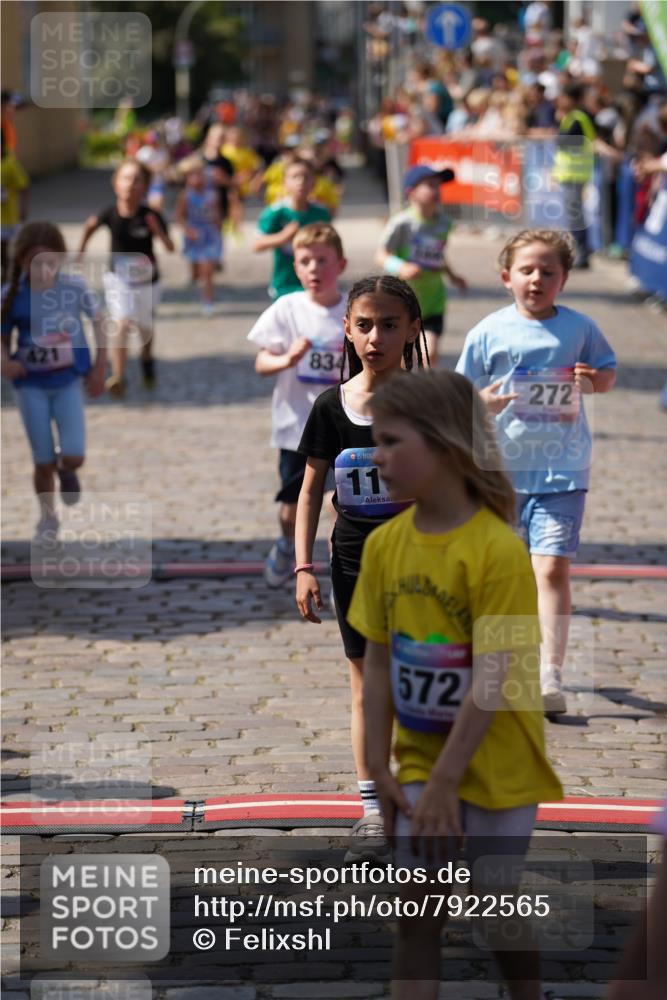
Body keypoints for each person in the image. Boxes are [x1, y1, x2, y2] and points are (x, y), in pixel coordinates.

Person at [348, 368, 563, 999]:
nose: (377, 457)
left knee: (496, 909)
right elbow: (378, 663)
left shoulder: (498, 551)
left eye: (392, 442)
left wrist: (448, 781)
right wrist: (379, 768)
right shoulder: (384, 546)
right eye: (376, 441)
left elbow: (494, 677)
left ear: (443, 444)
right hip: (420, 762)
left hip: (498, 766)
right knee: (417, 915)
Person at [295, 275, 428, 860]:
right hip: (353, 561)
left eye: (390, 325)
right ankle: (374, 810)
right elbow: (309, 491)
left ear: (413, 330)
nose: (376, 337)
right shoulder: (331, 406)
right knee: (367, 689)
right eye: (365, 325)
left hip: (422, 562)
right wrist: (303, 566)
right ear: (347, 330)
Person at [456, 229, 616, 714]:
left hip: (562, 470)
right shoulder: (487, 332)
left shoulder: (580, 329)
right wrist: (480, 402)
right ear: (507, 277)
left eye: (548, 271)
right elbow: (458, 395)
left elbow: (606, 374)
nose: (537, 279)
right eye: (527, 270)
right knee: (503, 575)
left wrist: (592, 381)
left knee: (550, 568)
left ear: (563, 279)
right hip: (500, 473)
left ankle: (550, 673)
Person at [247, 223, 347, 587]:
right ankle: (287, 545)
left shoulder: (353, 310)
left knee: (340, 507)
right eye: (305, 261)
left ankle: (340, 574)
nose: (314, 268)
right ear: (296, 268)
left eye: (323, 260)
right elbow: (261, 363)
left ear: (341, 264)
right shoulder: (287, 308)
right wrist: (286, 359)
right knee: (292, 510)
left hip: (344, 429)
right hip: (297, 429)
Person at [1, 221, 106, 543]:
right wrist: (5, 361)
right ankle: (47, 519)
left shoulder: (75, 288)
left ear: (60, 258)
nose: (43, 270)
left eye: (50, 262)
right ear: (21, 262)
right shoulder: (11, 296)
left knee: (74, 454)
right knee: (42, 459)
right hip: (30, 385)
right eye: (35, 263)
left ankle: (67, 468)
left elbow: (100, 323)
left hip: (68, 382)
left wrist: (100, 367)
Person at [79, 159, 175, 398]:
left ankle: (147, 361)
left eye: (137, 180)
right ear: (116, 184)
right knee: (121, 322)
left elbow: (170, 247)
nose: (130, 184)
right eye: (126, 178)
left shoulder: (151, 215)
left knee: (144, 328)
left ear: (145, 187)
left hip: (147, 281)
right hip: (118, 279)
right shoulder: (109, 213)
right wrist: (81, 250)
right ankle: (118, 376)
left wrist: (157, 230)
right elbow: (90, 226)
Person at [377, 165, 468, 366]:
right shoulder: (402, 223)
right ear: (411, 192)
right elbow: (381, 255)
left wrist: (453, 276)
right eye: (430, 185)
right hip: (403, 301)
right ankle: (402, 385)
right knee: (404, 358)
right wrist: (401, 268)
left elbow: (438, 255)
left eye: (438, 185)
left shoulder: (444, 223)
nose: (436, 190)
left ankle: (425, 386)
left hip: (433, 300)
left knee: (430, 353)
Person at [253, 158, 331, 300]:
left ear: (313, 183)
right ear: (285, 183)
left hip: (315, 283)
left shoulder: (321, 213)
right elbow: (257, 245)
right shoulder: (275, 212)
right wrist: (283, 236)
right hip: (284, 285)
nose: (301, 181)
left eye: (306, 177)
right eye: (295, 177)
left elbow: (331, 247)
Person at [553, 83, 597, 269]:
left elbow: (566, 142)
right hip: (569, 174)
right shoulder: (570, 117)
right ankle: (580, 252)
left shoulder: (578, 118)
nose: (560, 100)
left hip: (576, 174)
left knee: (575, 217)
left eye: (563, 97)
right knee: (574, 216)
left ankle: (583, 254)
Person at [175, 158, 222, 317]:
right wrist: (187, 230)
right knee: (196, 272)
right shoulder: (186, 196)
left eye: (199, 175)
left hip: (210, 235)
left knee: (207, 271)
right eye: (192, 176)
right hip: (194, 236)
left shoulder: (212, 195)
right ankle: (196, 280)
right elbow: (179, 216)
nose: (197, 179)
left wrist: (219, 231)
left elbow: (217, 215)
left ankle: (208, 301)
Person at [1, 125, 30, 283]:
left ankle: (9, 278)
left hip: (8, 218)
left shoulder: (10, 164)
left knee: (6, 250)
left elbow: (23, 187)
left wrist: (23, 209)